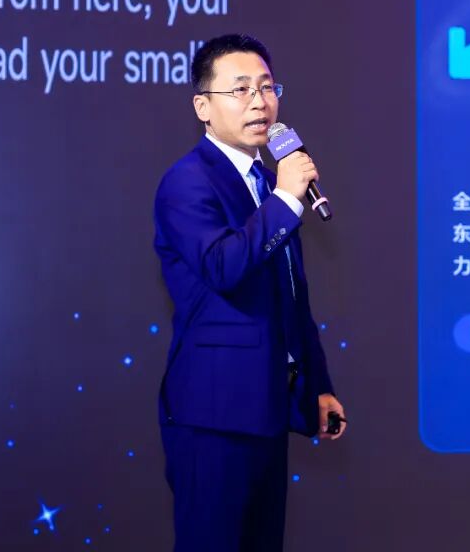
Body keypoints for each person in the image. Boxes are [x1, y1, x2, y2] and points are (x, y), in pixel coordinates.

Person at [154, 33, 346, 552]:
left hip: (268, 410)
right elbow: (222, 267)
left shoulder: (266, 183)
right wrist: (286, 198)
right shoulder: (187, 182)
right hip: (213, 414)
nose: (259, 102)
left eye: (266, 87)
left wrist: (317, 385)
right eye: (240, 89)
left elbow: (291, 296)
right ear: (203, 106)